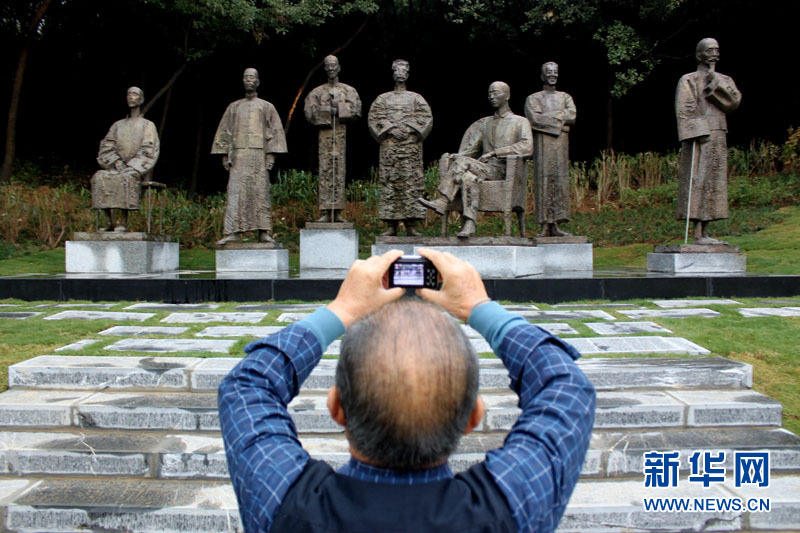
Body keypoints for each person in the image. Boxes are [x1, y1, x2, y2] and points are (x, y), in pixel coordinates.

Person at [218, 248, 596, 533]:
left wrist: (341, 310)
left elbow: (247, 387)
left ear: (336, 407)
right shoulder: (507, 509)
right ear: (473, 417)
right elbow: (567, 387)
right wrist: (479, 306)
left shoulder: (290, 506)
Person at [418, 82, 533, 237]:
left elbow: (527, 146)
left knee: (463, 165)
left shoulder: (520, 122)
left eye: (495, 93)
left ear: (507, 95)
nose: (491, 96)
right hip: (483, 170)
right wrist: (456, 156)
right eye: (489, 93)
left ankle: (443, 201)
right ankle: (470, 224)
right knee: (467, 178)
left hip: (504, 170)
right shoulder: (486, 123)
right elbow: (471, 150)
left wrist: (495, 153)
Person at [675, 38, 741, 244]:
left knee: (714, 183)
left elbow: (733, 102)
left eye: (716, 50)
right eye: (709, 50)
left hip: (719, 133)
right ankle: (696, 232)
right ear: (699, 54)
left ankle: (706, 231)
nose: (714, 53)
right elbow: (684, 107)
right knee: (698, 180)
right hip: (700, 136)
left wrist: (715, 81)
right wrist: (699, 130)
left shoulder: (724, 79)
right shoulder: (689, 79)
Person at [212, 68, 287, 245]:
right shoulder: (234, 107)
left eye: (252, 77)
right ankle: (232, 232)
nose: (248, 80)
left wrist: (271, 156)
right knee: (235, 193)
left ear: (258, 81)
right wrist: (224, 154)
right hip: (238, 156)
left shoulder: (266, 106)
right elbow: (225, 131)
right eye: (246, 77)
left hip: (258, 155)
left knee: (260, 193)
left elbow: (275, 131)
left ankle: (263, 232)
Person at [368, 59, 433, 237]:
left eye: (403, 70)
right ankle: (391, 224)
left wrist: (409, 128)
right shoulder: (383, 99)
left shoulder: (416, 98)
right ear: (393, 72)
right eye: (397, 69)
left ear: (408, 73)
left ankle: (411, 224)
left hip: (411, 148)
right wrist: (391, 129)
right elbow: (375, 118)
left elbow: (425, 117)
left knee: (411, 184)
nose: (400, 73)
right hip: (390, 149)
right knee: (390, 183)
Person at [91, 86, 160, 232]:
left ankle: (122, 221)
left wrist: (133, 166)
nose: (130, 97)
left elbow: (149, 148)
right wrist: (116, 161)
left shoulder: (148, 125)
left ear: (141, 99)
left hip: (134, 168)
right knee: (100, 176)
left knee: (126, 178)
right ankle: (109, 221)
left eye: (134, 94)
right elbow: (107, 145)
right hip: (117, 166)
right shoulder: (117, 125)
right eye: (128, 94)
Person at [304, 55, 362, 223]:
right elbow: (310, 113)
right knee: (325, 172)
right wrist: (327, 110)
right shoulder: (317, 92)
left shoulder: (348, 90)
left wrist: (341, 109)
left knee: (338, 171)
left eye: (333, 65)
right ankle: (325, 211)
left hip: (340, 133)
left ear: (338, 67)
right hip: (325, 135)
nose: (331, 68)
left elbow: (356, 111)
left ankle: (337, 211)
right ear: (325, 68)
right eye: (328, 66)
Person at [525, 62, 576, 237]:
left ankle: (557, 224)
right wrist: (560, 124)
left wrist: (552, 119)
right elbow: (534, 119)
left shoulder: (565, 97)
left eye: (555, 72)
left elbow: (572, 116)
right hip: (544, 145)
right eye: (549, 72)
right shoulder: (533, 98)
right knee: (544, 181)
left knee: (560, 181)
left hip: (561, 146)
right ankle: (545, 225)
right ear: (542, 76)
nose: (553, 75)